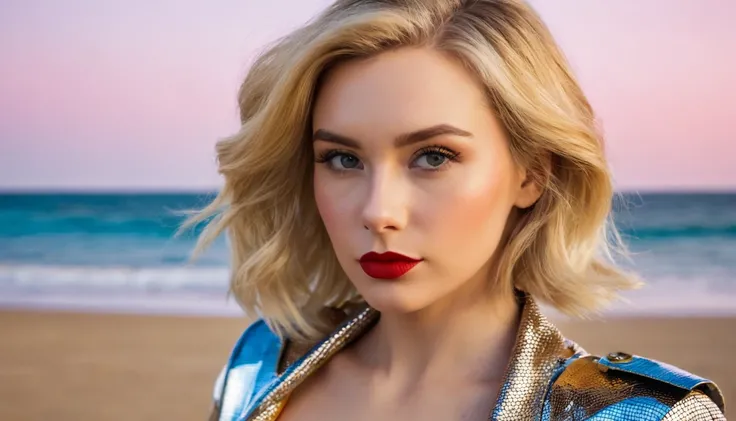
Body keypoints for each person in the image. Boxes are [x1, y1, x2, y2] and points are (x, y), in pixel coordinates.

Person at [188, 0, 726, 419]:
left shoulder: (644, 417)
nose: (379, 211)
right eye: (342, 158)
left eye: (432, 156)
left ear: (532, 173)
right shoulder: (259, 367)